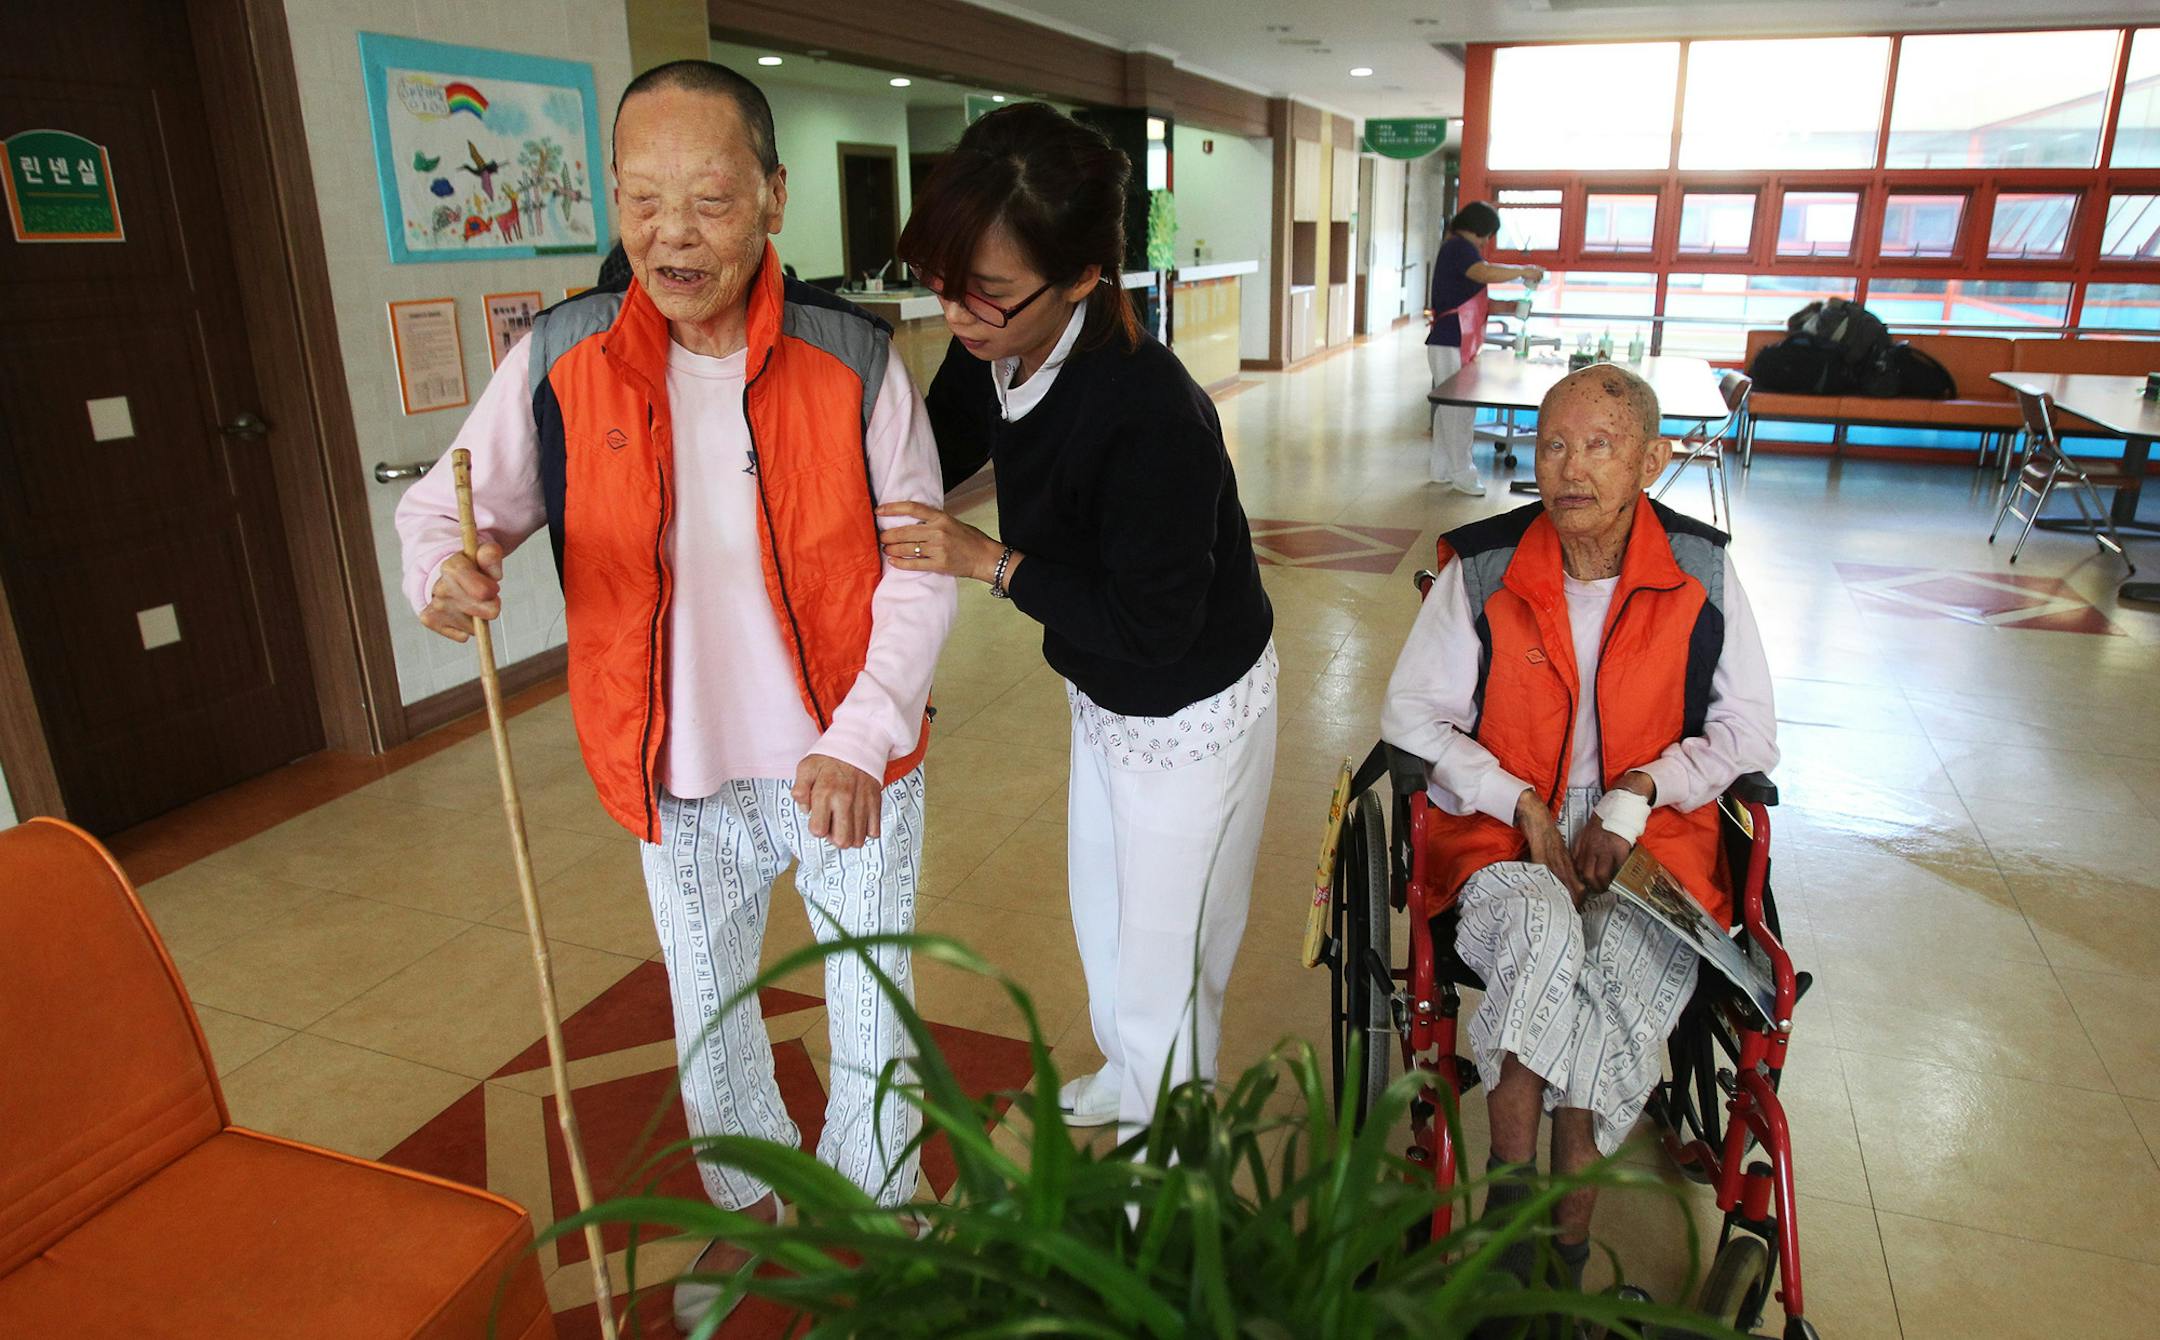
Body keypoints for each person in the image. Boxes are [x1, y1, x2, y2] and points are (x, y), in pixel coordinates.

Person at [394, 60, 956, 1331]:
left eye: (707, 198)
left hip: (842, 761)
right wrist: (449, 569)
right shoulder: (562, 355)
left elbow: (920, 571)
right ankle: (742, 1205)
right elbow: (443, 506)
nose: (672, 233)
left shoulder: (853, 359)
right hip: (671, 764)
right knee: (707, 1004)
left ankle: (880, 1215)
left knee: (872, 998)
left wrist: (866, 734)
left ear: (772, 195)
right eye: (642, 199)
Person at [876, 103, 1277, 1138]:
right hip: (1102, 684)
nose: (961, 317)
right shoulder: (996, 337)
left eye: (990, 296)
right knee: (1106, 924)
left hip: (1185, 698)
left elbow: (1153, 625)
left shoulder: (1148, 410)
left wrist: (988, 561)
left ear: (1086, 278)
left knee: (1166, 956)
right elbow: (932, 440)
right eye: (946, 286)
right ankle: (1128, 1073)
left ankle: (1168, 1160)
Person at [1378, 364, 1777, 1291]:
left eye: (1600, 446)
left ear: (1652, 459)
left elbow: (1748, 733)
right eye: (1554, 444)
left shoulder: (1701, 571)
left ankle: (1550, 1260)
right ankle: (1520, 1223)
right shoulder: (1481, 567)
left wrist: (1640, 789)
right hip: (1499, 837)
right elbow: (1411, 717)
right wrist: (1514, 799)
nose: (1571, 469)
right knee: (1545, 937)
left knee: (1615, 975)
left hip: (1657, 848)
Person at [1426, 202, 1544, 497]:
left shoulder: (1461, 250)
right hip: (1450, 339)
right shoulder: (1459, 249)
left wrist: (1511, 307)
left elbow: (1476, 301)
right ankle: (1462, 473)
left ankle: (1441, 468)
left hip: (1454, 340)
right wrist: (1523, 271)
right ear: (1480, 229)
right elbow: (1483, 273)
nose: (1486, 241)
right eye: (1487, 235)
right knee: (1459, 410)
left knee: (1449, 409)